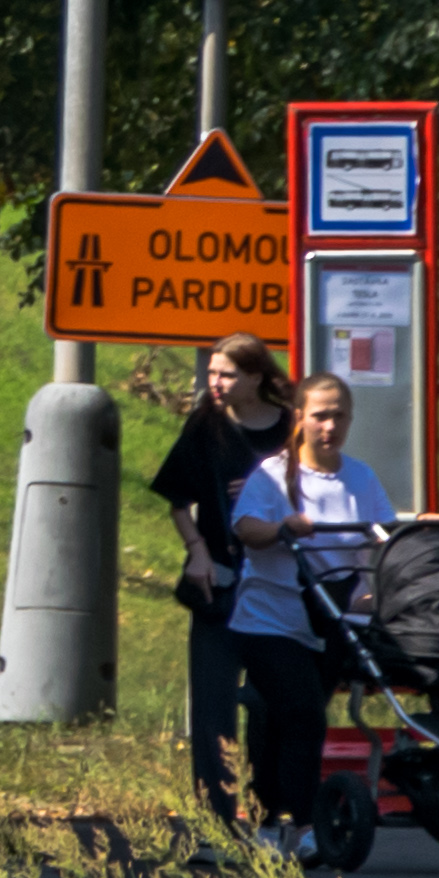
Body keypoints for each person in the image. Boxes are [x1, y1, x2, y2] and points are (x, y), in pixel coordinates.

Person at [225, 373, 397, 859]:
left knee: (281, 720)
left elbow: (382, 534)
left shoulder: (359, 477)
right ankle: (301, 826)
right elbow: (247, 529)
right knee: (302, 716)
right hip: (269, 620)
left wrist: (411, 533)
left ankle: (266, 819)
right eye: (320, 415)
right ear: (299, 418)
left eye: (340, 415)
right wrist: (283, 527)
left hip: (333, 619)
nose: (330, 425)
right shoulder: (273, 474)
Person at [144, 336, 289, 821]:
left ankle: (272, 815)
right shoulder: (206, 425)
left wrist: (265, 488)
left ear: (256, 377)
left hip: (279, 586)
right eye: (212, 374)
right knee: (213, 708)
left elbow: (318, 487)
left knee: (275, 706)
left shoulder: (290, 428)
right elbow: (177, 501)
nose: (216, 384)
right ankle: (216, 822)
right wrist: (197, 553)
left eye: (226, 375)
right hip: (220, 583)